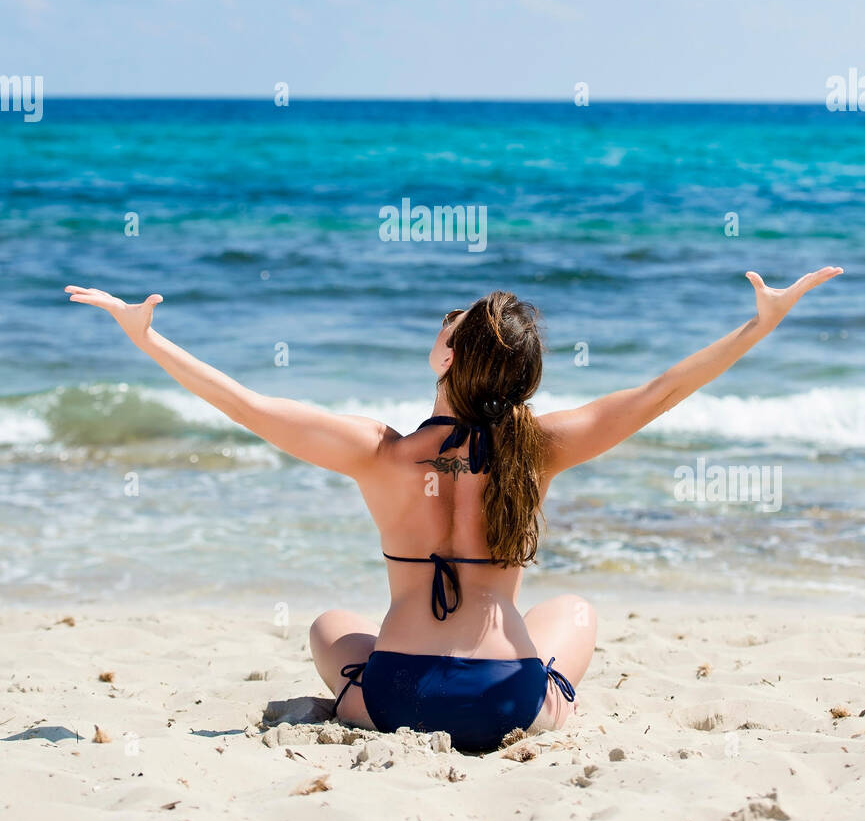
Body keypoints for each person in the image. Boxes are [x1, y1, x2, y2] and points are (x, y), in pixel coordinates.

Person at [64, 265, 842, 751]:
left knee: (328, 625)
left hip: (398, 696)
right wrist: (760, 324)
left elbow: (243, 401)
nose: (444, 320)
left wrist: (146, 338)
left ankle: (364, 699)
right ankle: (553, 711)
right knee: (573, 609)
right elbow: (659, 392)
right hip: (505, 701)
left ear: (446, 357)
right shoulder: (538, 447)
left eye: (450, 321)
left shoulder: (377, 450)